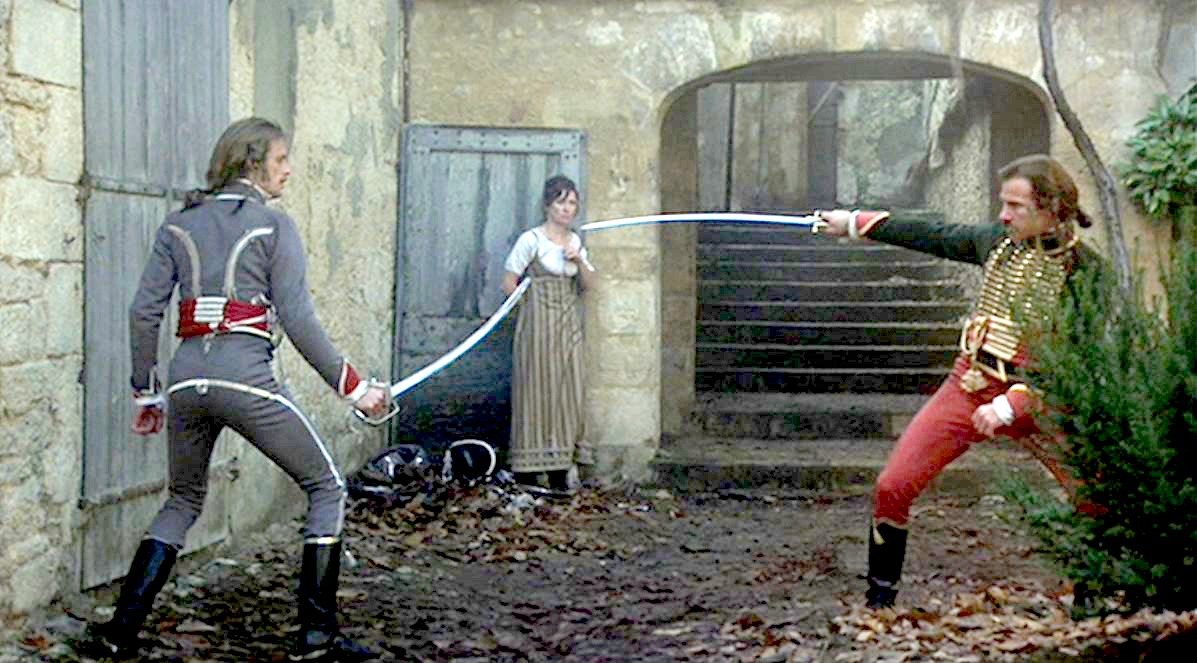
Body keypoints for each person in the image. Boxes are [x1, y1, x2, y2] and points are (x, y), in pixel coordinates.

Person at [84, 117, 388, 661]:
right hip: (246, 379)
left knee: (182, 499)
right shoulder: (275, 228)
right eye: (281, 159)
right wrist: (356, 389)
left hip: (185, 383)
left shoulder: (178, 224)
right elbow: (299, 320)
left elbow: (143, 313)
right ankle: (316, 638)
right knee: (326, 487)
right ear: (253, 163)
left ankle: (118, 633)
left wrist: (146, 393)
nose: (288, 170)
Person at [816, 154, 1101, 609]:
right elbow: (937, 235)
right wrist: (854, 223)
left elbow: (1085, 362)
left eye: (1016, 206)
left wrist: (1013, 404)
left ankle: (1093, 607)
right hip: (970, 384)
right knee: (893, 485)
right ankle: (879, 605)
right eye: (1003, 204)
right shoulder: (996, 243)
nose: (1003, 215)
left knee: (1095, 495)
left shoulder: (1086, 272)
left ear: (1051, 208)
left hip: (1043, 397)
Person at [500, 175, 597, 491]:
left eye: (572, 203)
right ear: (548, 205)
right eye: (561, 202)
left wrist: (578, 259)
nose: (567, 209)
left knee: (568, 390)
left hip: (569, 325)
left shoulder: (575, 242)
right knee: (536, 389)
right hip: (538, 327)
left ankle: (560, 465)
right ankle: (529, 470)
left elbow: (589, 284)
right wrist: (530, 309)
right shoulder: (532, 240)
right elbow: (508, 282)